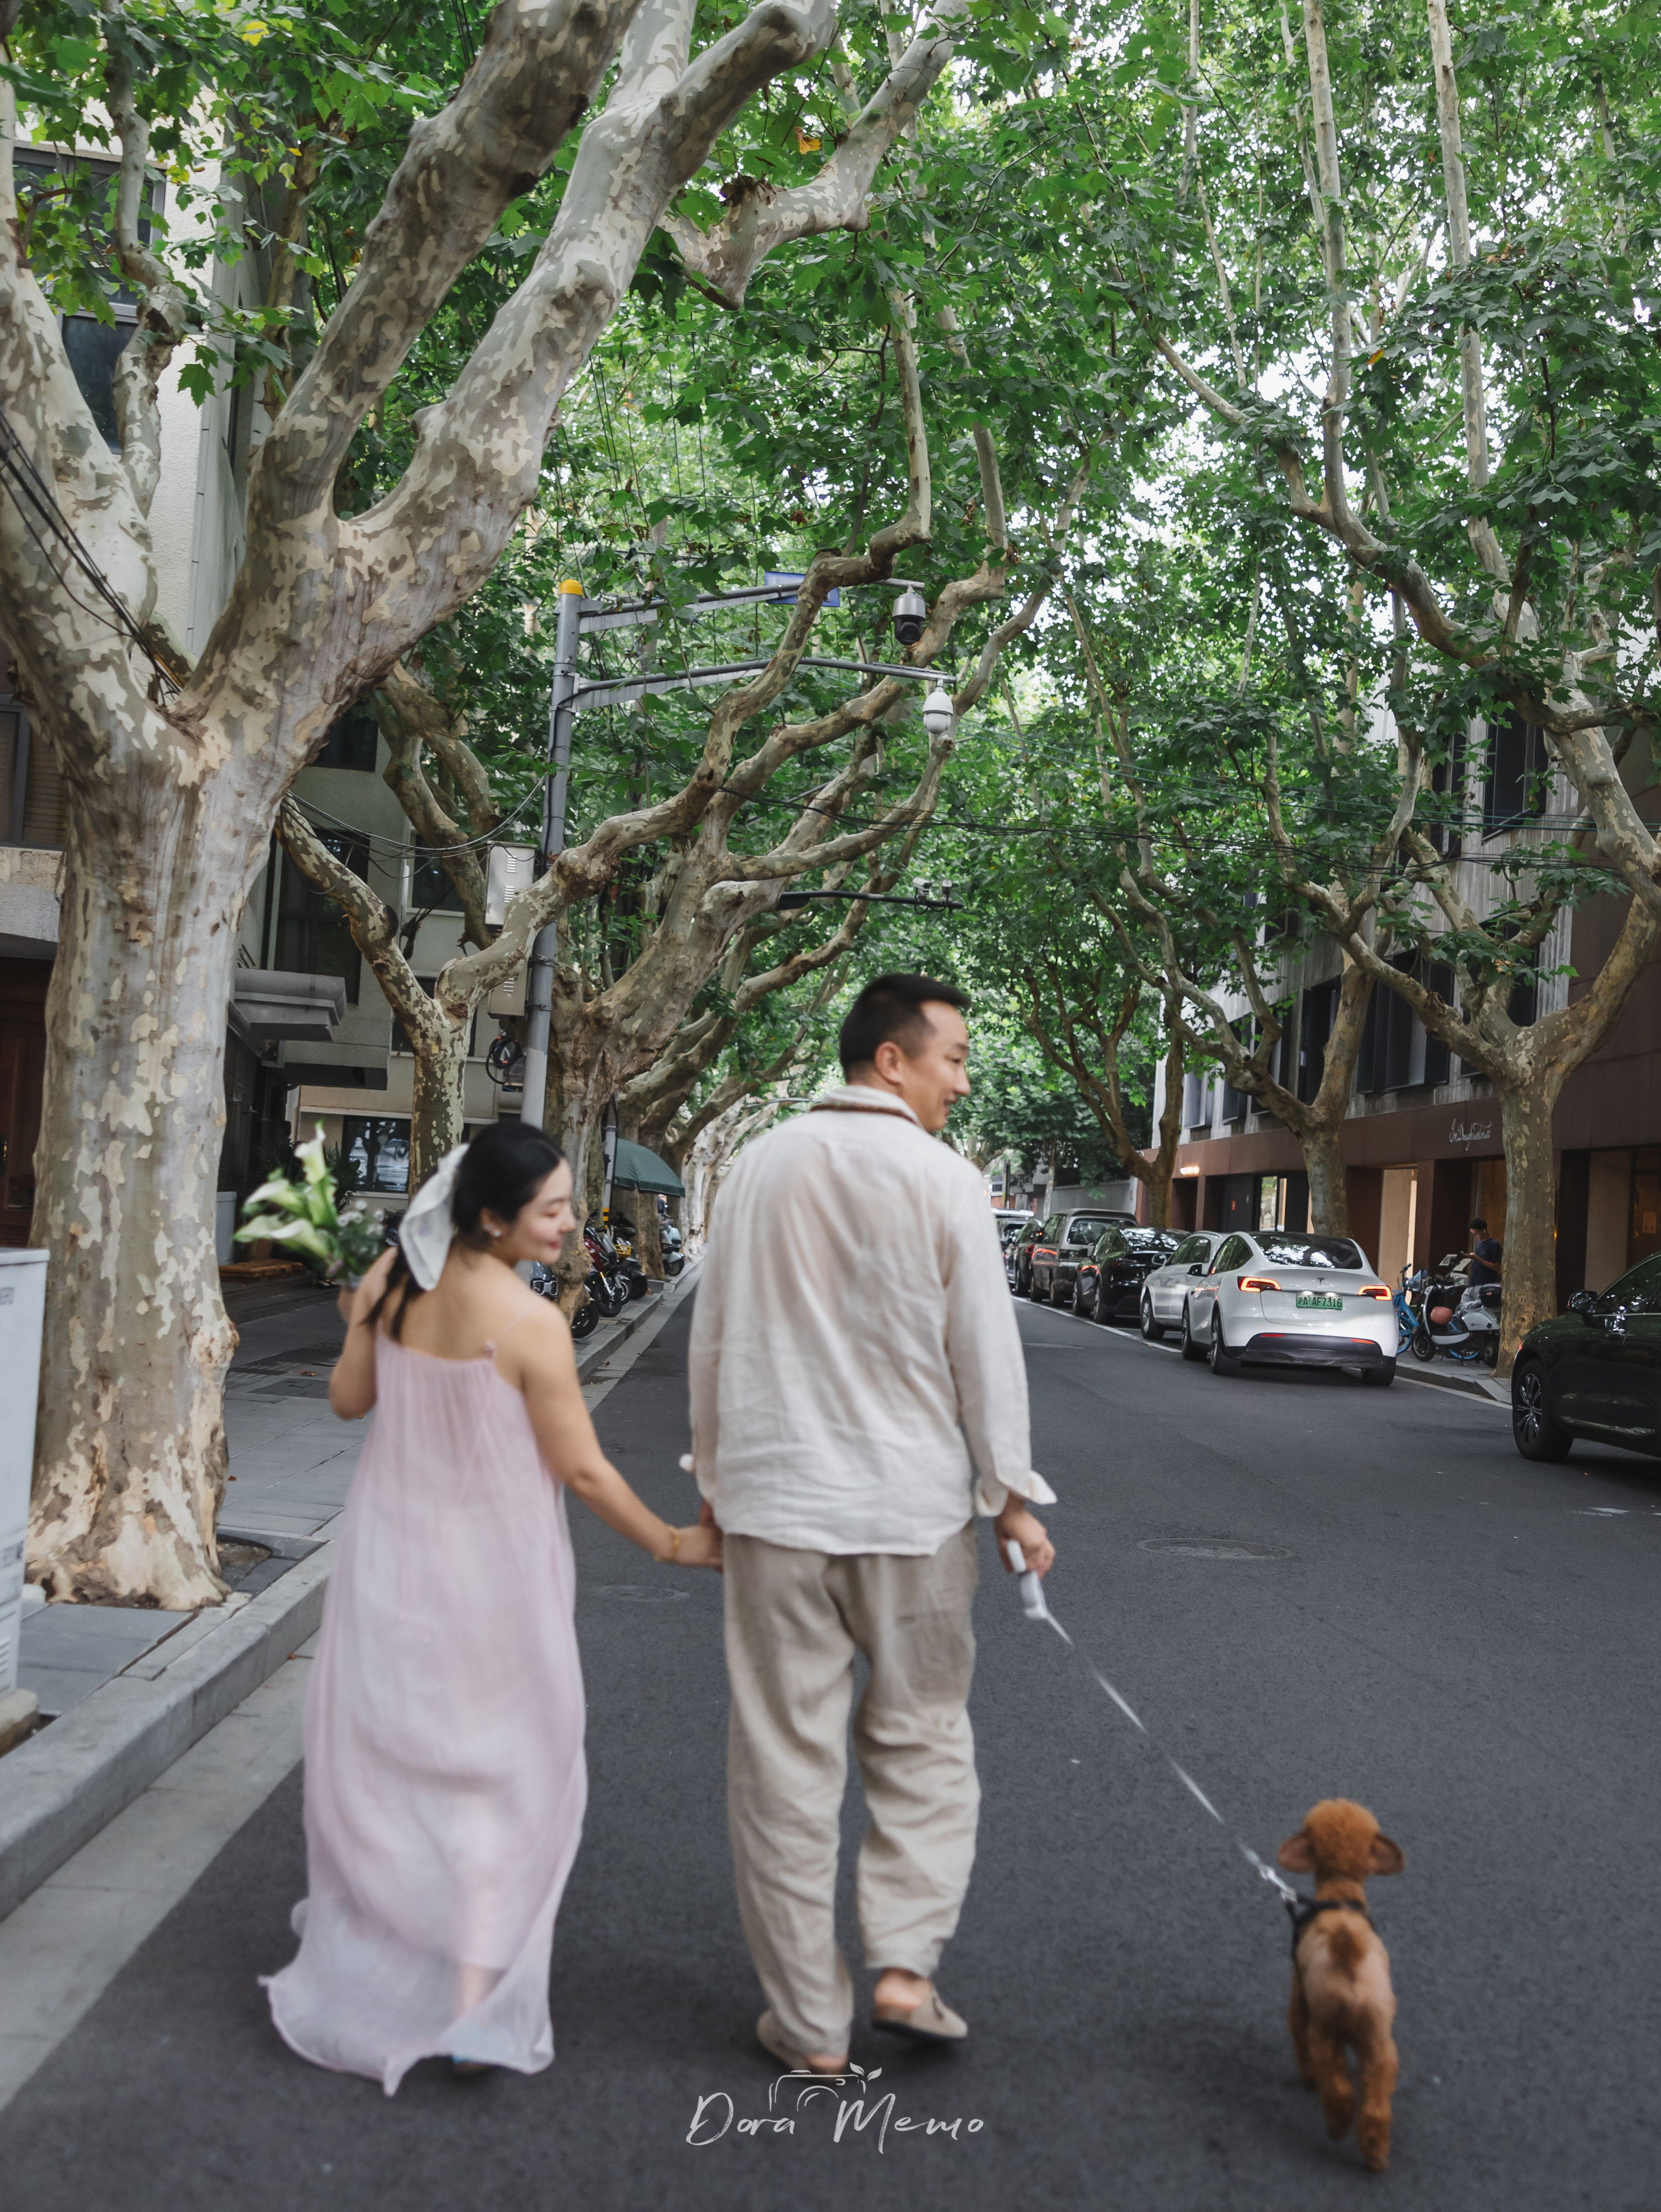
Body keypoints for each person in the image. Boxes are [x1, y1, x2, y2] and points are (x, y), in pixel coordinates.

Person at [264, 1121, 719, 2095]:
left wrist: (361, 1314)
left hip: (391, 1559)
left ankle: (401, 1948)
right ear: (492, 1215)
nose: (569, 1227)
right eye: (553, 1209)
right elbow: (585, 1469)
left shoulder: (392, 1283)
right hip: (492, 1574)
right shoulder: (529, 1324)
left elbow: (349, 1401)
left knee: (405, 1760)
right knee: (499, 1768)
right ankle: (473, 1996)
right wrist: (673, 1541)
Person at [688, 973, 1057, 2076]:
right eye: (952, 1057)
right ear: (890, 1060)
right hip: (913, 1514)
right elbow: (985, 1354)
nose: (963, 1079)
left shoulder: (756, 1168)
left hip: (777, 1508)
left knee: (782, 1766)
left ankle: (807, 2026)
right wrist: (1013, 1494)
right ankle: (904, 1964)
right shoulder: (946, 1181)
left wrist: (714, 1477)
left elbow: (717, 1337)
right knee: (923, 1740)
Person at [1468, 1216, 1503, 1287]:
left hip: (1485, 1283)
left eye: (1476, 1233)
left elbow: (1496, 1267)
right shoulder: (1480, 1244)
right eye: (1473, 1234)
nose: (1475, 1237)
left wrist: (1478, 1258)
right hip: (1474, 1282)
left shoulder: (1494, 1244)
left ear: (1484, 1230)